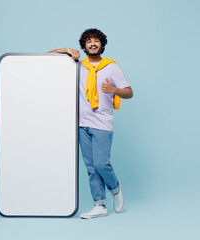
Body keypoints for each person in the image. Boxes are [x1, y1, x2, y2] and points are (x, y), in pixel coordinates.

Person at [49, 28, 133, 219]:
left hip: (102, 123)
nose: (92, 43)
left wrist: (114, 89)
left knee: (102, 163)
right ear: (84, 45)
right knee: (91, 167)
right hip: (81, 124)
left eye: (96, 40)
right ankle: (100, 205)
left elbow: (129, 92)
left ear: (102, 44)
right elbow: (46, 60)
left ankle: (115, 188)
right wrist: (64, 50)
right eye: (88, 41)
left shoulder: (111, 67)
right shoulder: (77, 65)